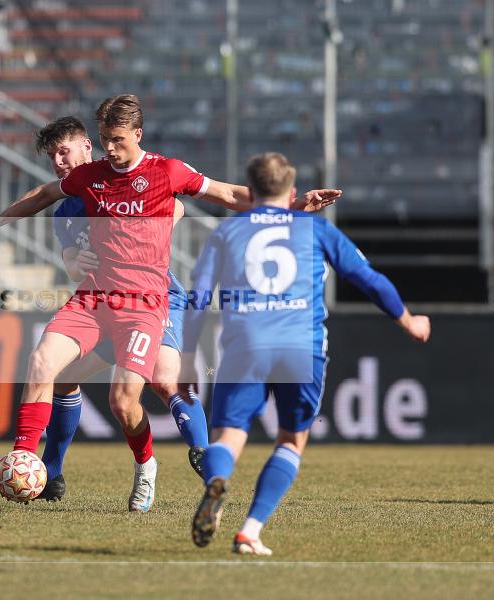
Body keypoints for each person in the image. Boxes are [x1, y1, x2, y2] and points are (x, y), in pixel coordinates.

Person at [0, 97, 340, 513]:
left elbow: (229, 193)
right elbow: (43, 194)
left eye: (118, 140)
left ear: (138, 135)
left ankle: (148, 466)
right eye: (106, 139)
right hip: (93, 300)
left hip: (144, 304)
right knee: (41, 364)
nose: (111, 148)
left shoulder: (167, 171)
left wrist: (290, 205)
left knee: (124, 401)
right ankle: (25, 458)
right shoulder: (90, 177)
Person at [182, 152, 430, 554]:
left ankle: (216, 483)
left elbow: (197, 298)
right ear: (292, 191)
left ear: (251, 189)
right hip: (301, 346)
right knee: (291, 439)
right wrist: (409, 320)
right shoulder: (314, 229)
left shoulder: (227, 233)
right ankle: (250, 531)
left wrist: (187, 355)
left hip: (245, 344)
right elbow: (368, 279)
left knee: (227, 436)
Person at [0, 116, 211, 503]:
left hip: (155, 298)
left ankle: (202, 453)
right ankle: (47, 471)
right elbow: (67, 252)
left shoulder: (122, 179)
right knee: (60, 376)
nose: (59, 161)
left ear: (87, 147)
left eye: (64, 150)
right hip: (102, 303)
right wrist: (73, 261)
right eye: (52, 156)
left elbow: (175, 208)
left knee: (165, 382)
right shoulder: (66, 210)